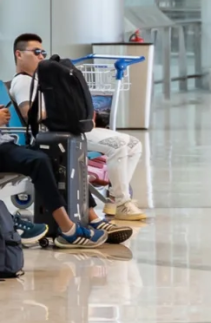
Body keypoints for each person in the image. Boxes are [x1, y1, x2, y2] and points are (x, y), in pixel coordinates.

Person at [11, 34, 148, 224]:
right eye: (36, 52)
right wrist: (62, 108)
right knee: (118, 145)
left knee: (134, 144)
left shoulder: (42, 80)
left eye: (43, 52)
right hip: (56, 134)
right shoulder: (23, 82)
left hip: (72, 129)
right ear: (19, 54)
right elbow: (29, 114)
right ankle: (123, 202)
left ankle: (114, 198)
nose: (41, 56)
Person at [0, 105, 109, 248]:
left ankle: (91, 216)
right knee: (39, 162)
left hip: (6, 143)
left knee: (55, 154)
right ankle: (69, 230)